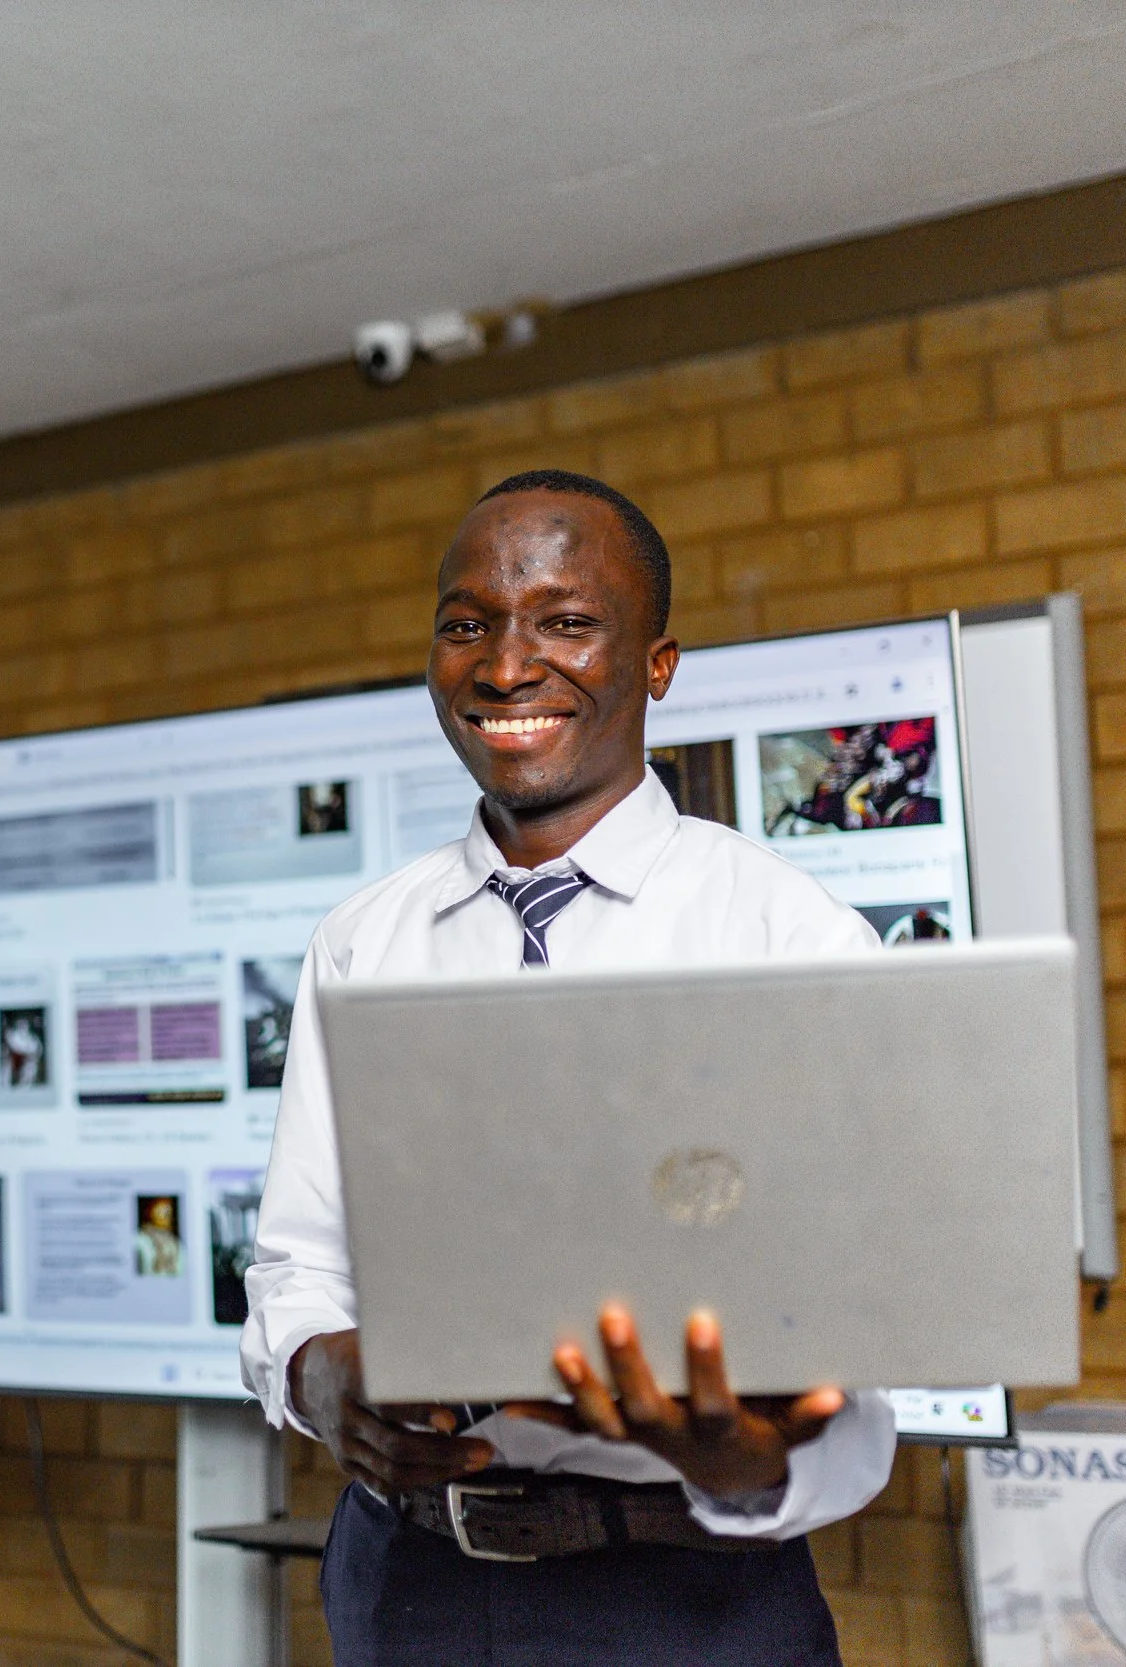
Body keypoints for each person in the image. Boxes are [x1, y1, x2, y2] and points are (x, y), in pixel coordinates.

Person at [241, 470, 896, 1665]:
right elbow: (297, 1257)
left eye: (566, 620)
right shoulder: (363, 935)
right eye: (466, 623)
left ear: (656, 663)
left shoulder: (786, 935)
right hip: (406, 1585)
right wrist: (313, 1375)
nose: (503, 665)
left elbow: (859, 1333)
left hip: (693, 1597)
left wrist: (756, 1459)